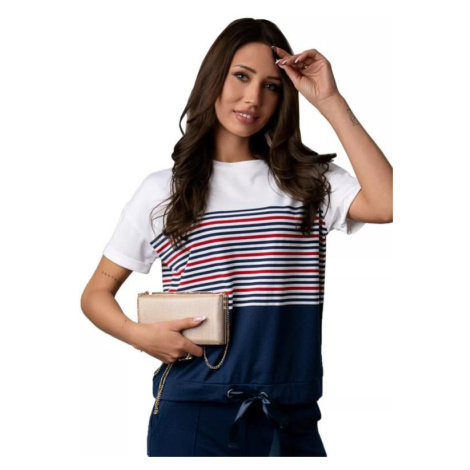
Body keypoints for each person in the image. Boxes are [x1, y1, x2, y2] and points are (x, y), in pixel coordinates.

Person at [80, 18, 393, 457]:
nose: (253, 98)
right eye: (241, 77)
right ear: (214, 78)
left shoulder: (308, 179)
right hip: (192, 416)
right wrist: (139, 335)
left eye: (271, 86)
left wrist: (330, 101)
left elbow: (389, 203)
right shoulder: (163, 189)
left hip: (289, 418)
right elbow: (95, 294)